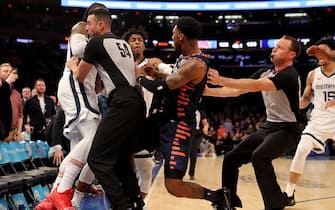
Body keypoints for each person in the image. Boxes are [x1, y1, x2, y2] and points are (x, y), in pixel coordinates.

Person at [136, 16, 230, 210]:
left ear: (180, 36)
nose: (171, 38)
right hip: (162, 118)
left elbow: (164, 87)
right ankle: (132, 199)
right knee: (123, 147)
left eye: (173, 34)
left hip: (178, 125)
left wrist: (139, 78)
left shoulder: (197, 64)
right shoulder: (184, 59)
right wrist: (157, 72)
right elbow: (173, 79)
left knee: (174, 186)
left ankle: (217, 197)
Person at [204, 35, 302, 210]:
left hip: (288, 129)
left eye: (280, 47)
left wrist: (221, 79)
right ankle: (228, 201)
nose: (274, 48)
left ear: (291, 54)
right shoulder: (266, 71)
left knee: (260, 156)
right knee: (231, 158)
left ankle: (276, 204)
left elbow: (255, 85)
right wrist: (208, 91)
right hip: (269, 126)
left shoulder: (289, 75)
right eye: (275, 46)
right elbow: (236, 90)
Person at [67, 9, 146, 210]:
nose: (87, 28)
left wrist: (72, 66)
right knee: (121, 159)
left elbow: (80, 76)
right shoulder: (123, 44)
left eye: (90, 24)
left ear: (100, 25)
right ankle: (135, 202)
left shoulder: (96, 42)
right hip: (135, 102)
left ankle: (119, 205)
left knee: (97, 158)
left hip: (122, 102)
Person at [36, 20, 101, 210]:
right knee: (93, 137)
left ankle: (53, 196)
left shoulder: (96, 42)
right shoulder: (81, 27)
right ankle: (62, 191)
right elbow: (78, 47)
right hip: (75, 86)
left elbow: (96, 82)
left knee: (80, 147)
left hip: (83, 90)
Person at [284, 39, 335, 206]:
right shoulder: (313, 74)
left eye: (323, 51)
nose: (319, 55)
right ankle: (289, 193)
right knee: (301, 149)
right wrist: (292, 106)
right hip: (318, 121)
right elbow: (306, 99)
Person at [188, 109, 209, 180]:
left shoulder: (201, 112)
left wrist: (205, 128)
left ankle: (191, 174)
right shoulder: (187, 110)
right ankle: (180, 173)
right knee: (185, 153)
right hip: (187, 132)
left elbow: (205, 124)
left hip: (197, 134)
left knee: (193, 154)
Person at [0, 63, 17, 140]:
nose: (9, 74)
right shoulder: (6, 85)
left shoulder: (9, 87)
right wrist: (8, 82)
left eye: (10, 72)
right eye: (5, 71)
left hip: (5, 128)